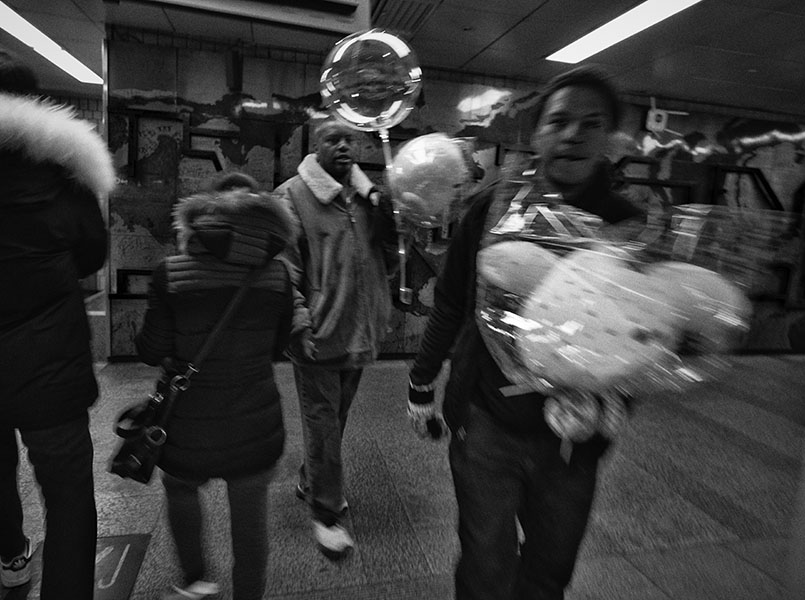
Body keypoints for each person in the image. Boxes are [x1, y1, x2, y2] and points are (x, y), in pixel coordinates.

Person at [406, 65, 643, 600]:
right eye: (558, 121)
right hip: (488, 423)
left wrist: (625, 395)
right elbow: (451, 303)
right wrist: (421, 382)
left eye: (591, 123)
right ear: (536, 134)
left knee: (551, 568)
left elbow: (643, 332)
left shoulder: (627, 228)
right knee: (486, 565)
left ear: (610, 138)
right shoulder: (493, 210)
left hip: (576, 435)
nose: (573, 135)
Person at [134, 172, 297, 600]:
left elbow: (151, 350)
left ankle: (197, 582)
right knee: (250, 511)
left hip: (188, 419)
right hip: (256, 417)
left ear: (205, 215)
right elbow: (279, 347)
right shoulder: (278, 275)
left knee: (180, 487)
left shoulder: (170, 273)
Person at [0, 51, 112, 599]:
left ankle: (10, 556)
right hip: (50, 363)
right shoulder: (66, 176)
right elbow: (92, 255)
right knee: (68, 497)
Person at [274, 116, 398, 559]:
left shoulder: (367, 199)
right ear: (315, 146)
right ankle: (325, 512)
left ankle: (310, 479)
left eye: (350, 139)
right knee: (323, 422)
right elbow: (284, 270)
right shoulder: (291, 196)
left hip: (359, 329)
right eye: (333, 139)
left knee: (336, 416)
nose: (344, 146)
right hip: (318, 333)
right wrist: (298, 323)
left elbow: (387, 261)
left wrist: (391, 223)